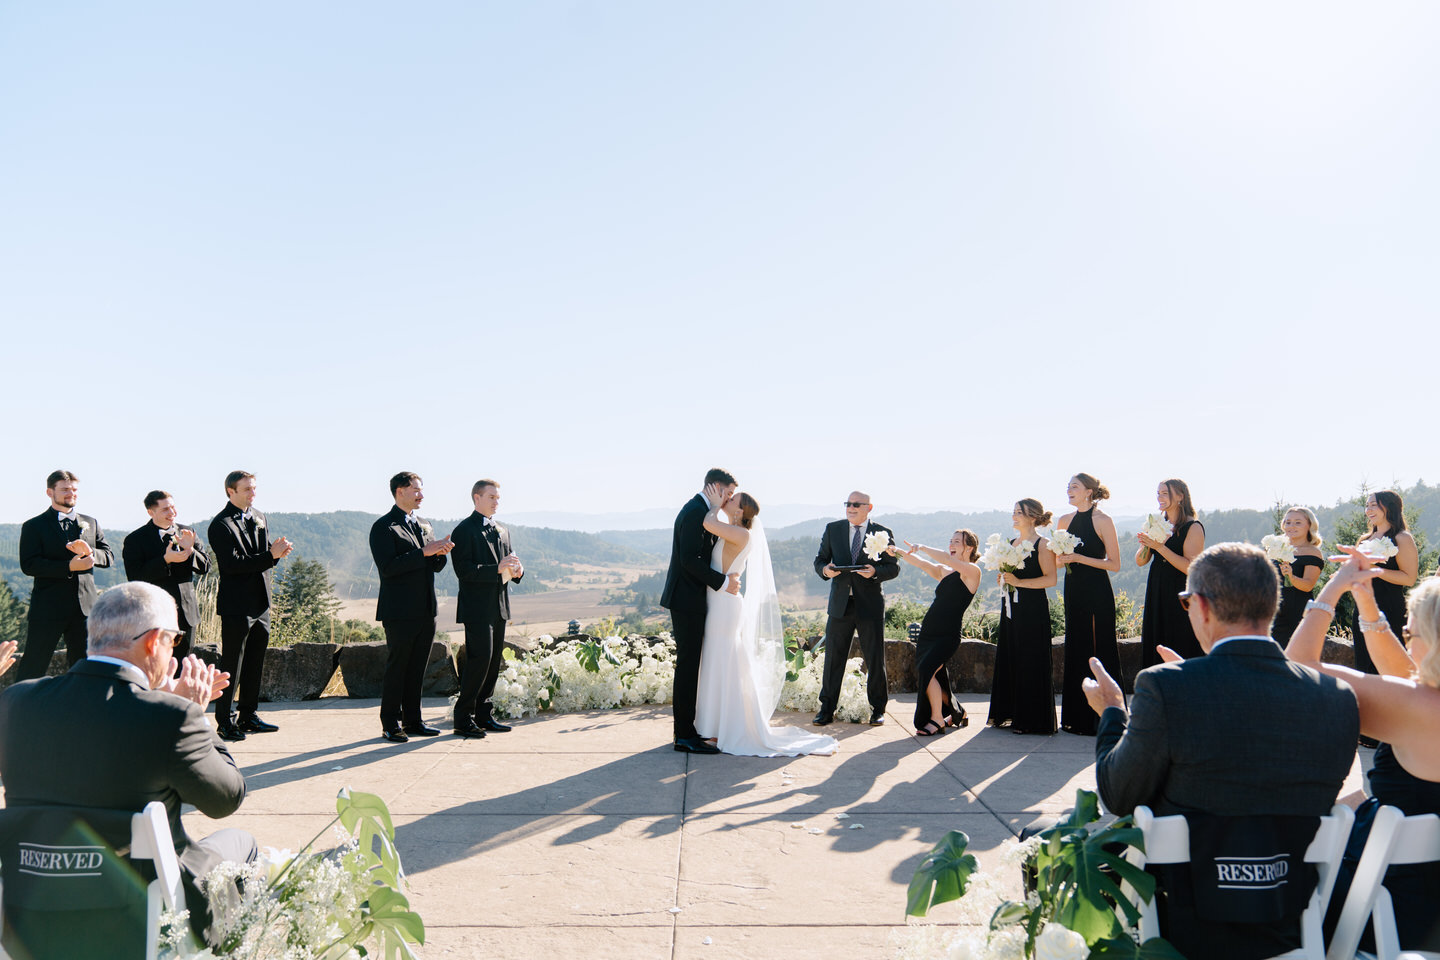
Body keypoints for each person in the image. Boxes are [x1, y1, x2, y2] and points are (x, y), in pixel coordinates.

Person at [1084, 542, 1359, 960]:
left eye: (1185, 602)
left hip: (1179, 922)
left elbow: (1119, 795)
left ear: (1203, 606)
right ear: (1271, 605)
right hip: (1290, 918)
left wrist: (1113, 713)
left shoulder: (1167, 687)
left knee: (1043, 847)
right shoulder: (1338, 698)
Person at [0, 582, 251, 944]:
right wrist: (197, 716)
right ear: (153, 642)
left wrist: (161, 702)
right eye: (174, 640)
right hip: (140, 914)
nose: (172, 650)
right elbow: (226, 798)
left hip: (33, 906)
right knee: (241, 842)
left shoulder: (15, 702)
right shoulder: (174, 718)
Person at [1285, 548, 1440, 953]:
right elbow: (1407, 677)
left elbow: (1297, 669)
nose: (1407, 643)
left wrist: (1332, 591)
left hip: (1395, 906)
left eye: (1411, 635)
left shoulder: (1413, 709)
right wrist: (1368, 603)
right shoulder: (1415, 703)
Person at [694, 492, 838, 757]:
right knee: (719, 660)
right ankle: (714, 725)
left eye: (733, 499)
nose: (728, 499)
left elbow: (708, 523)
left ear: (740, 511)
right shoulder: (735, 530)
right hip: (720, 600)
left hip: (724, 605)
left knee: (721, 660)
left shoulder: (742, 535)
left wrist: (714, 503)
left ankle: (720, 728)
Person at [370, 471, 455, 743]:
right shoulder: (383, 527)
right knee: (399, 667)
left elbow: (433, 566)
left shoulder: (424, 524)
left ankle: (413, 720)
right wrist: (424, 553)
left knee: (418, 667)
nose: (421, 494)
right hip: (399, 610)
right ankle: (390, 723)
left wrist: (440, 553)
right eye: (415, 489)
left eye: (421, 489)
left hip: (426, 608)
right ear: (400, 492)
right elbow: (389, 568)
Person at [208, 470, 293, 742]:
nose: (252, 493)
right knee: (232, 663)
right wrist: (271, 555)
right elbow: (233, 566)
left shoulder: (259, 517)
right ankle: (224, 721)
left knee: (255, 661)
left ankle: (248, 715)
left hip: (261, 601)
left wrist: (275, 554)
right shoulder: (220, 525)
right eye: (246, 489)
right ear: (230, 492)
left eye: (254, 488)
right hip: (236, 604)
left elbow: (262, 557)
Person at [660, 468, 739, 755]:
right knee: (688, 667)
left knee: (691, 666)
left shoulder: (700, 510)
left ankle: (688, 730)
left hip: (691, 599)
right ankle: (684, 735)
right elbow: (689, 560)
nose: (728, 499)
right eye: (727, 493)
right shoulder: (695, 511)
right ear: (715, 487)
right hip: (686, 600)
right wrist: (723, 583)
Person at [813, 491, 900, 726]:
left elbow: (893, 568)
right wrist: (826, 570)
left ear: (869, 507)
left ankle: (878, 710)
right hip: (840, 605)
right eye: (847, 504)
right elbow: (819, 560)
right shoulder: (833, 529)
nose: (850, 508)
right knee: (833, 659)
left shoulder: (883, 533)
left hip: (869, 605)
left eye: (856, 504)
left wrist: (875, 572)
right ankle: (826, 709)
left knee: (874, 659)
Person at [17, 470, 114, 680]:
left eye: (74, 489)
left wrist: (89, 552)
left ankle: (84, 711)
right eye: (65, 489)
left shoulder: (91, 522)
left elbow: (108, 556)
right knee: (34, 664)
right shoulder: (33, 526)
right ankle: (19, 709)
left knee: (87, 668)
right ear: (49, 492)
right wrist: (68, 566)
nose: (71, 493)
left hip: (85, 609)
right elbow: (29, 565)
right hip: (48, 608)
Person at [451, 479, 525, 739]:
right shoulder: (463, 531)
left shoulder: (503, 530)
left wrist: (518, 570)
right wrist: (497, 567)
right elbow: (464, 571)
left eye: (498, 497)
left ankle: (484, 714)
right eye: (491, 497)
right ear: (476, 498)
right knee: (478, 662)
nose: (496, 501)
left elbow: (509, 564)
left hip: (499, 607)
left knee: (493, 663)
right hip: (476, 609)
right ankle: (463, 718)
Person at [891, 530, 980, 736]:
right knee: (934, 675)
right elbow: (921, 563)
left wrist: (921, 545)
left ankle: (937, 719)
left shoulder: (972, 572)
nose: (952, 544)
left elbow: (941, 557)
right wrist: (898, 552)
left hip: (947, 635)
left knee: (927, 670)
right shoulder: (944, 571)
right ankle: (958, 712)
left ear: (969, 548)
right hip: (928, 633)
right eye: (951, 541)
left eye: (957, 541)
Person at [1055, 473, 1121, 736]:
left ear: (1089, 492)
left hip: (1097, 593)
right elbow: (1059, 562)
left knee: (1097, 648)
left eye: (1074, 486)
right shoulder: (1063, 520)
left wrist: (1080, 558)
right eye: (1068, 486)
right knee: (1076, 647)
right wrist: (1063, 559)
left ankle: (1105, 717)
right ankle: (1075, 718)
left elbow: (1114, 565)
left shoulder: (1104, 521)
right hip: (1073, 591)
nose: (1069, 490)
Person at [986, 499, 1057, 735]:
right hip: (1010, 607)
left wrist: (1020, 583)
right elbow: (1010, 575)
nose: (1014, 516)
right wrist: (1004, 579)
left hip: (1032, 609)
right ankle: (1009, 713)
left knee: (1030, 659)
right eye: (1014, 512)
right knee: (1011, 656)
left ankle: (1030, 720)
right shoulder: (1010, 543)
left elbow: (1051, 579)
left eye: (1019, 513)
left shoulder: (1043, 544)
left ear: (1033, 517)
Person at [123, 489, 211, 660]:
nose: (172, 513)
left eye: (173, 507)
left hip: (186, 614)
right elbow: (135, 577)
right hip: (154, 614)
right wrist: (165, 560)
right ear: (151, 512)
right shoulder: (135, 539)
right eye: (165, 509)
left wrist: (190, 551)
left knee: (182, 664)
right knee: (155, 664)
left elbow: (206, 566)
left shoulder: (187, 532)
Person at [1349, 489, 1419, 675]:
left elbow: (1409, 578)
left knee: (1392, 668)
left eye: (1374, 505)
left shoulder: (1402, 538)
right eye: (1367, 505)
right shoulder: (1364, 540)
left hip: (1390, 609)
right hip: (1362, 609)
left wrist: (1376, 570)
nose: (1368, 509)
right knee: (1365, 667)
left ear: (1389, 507)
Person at [1136, 478, 1205, 665]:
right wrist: (1146, 544)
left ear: (1181, 496)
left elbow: (1191, 567)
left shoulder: (1193, 527)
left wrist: (1159, 547)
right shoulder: (1157, 524)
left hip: (1180, 592)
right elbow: (1140, 561)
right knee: (1156, 636)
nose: (1160, 497)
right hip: (1157, 588)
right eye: (1158, 493)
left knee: (1179, 638)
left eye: (1165, 493)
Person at [1269, 506, 1324, 647]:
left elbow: (1308, 586)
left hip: (1297, 612)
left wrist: (1291, 577)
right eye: (1288, 522)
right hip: (1272, 610)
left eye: (1298, 522)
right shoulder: (1277, 548)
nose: (1291, 526)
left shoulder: (1313, 552)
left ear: (1309, 525)